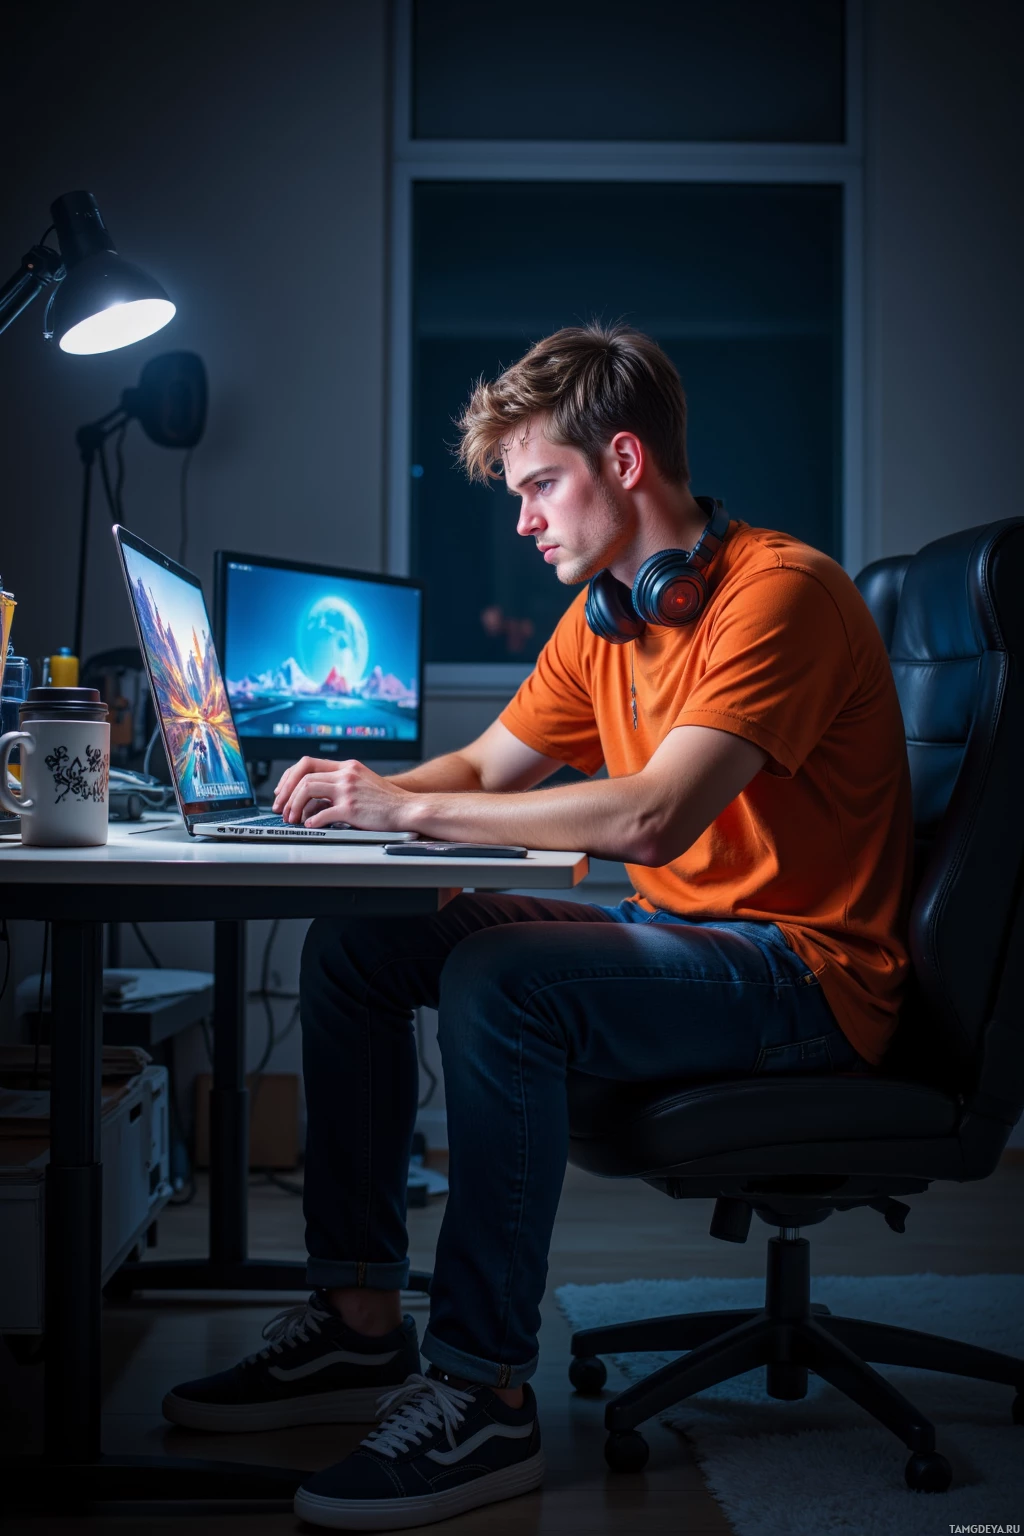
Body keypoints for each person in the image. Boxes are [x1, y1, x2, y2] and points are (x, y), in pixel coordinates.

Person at [163, 323, 913, 1530]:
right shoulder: (609, 615)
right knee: (359, 946)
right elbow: (487, 764)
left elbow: (659, 814)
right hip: (702, 950)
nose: (521, 520)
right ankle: (358, 1324)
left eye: (537, 486)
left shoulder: (781, 597)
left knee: (508, 976)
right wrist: (353, 804)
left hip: (809, 976)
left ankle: (480, 1392)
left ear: (624, 461)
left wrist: (412, 806)